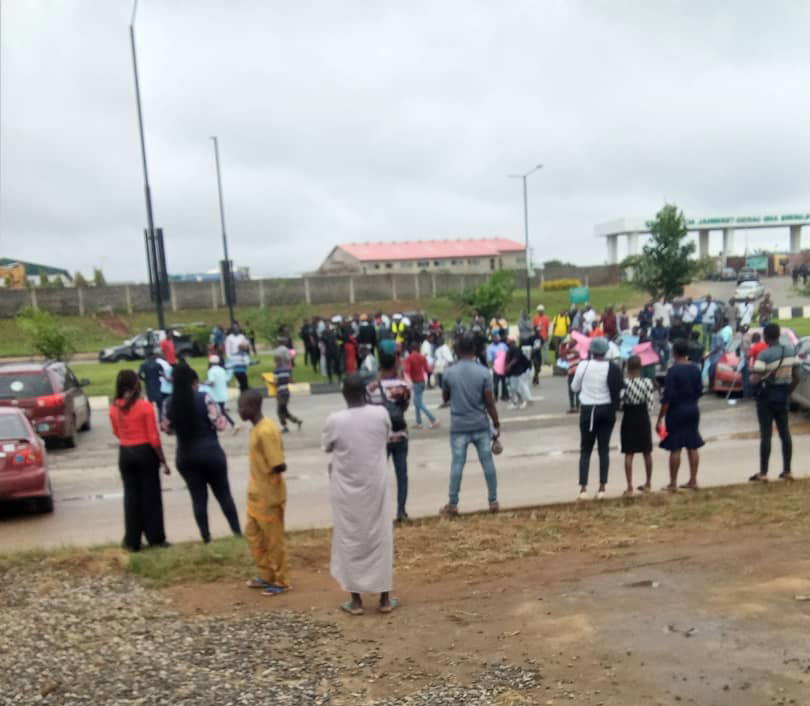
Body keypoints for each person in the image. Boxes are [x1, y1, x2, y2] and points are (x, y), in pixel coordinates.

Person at [322, 374, 397, 616]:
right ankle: (385, 599)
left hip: (347, 490)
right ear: (366, 392)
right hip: (376, 486)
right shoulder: (380, 414)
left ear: (344, 394)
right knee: (380, 537)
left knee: (350, 539)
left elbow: (327, 446)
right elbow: (385, 436)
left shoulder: (335, 420)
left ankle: (356, 601)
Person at [162, 363, 241, 543]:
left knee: (198, 498)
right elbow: (220, 425)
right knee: (223, 494)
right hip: (211, 453)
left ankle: (206, 537)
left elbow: (166, 429)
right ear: (194, 382)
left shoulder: (168, 403)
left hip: (186, 457)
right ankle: (236, 532)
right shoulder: (204, 398)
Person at [109, 370, 170, 552]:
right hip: (144, 452)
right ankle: (155, 538)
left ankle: (132, 540)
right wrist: (163, 460)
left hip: (125, 453)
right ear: (136, 385)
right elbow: (153, 437)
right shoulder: (144, 407)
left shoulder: (114, 408)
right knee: (151, 497)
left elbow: (116, 432)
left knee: (131, 498)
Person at [440, 333, 500, 515]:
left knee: (457, 464)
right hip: (480, 424)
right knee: (487, 462)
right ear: (474, 350)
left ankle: (453, 503)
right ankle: (493, 501)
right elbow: (489, 401)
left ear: (457, 351)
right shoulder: (483, 372)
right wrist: (496, 423)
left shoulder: (449, 372)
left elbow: (445, 397)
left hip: (459, 425)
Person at [238, 389, 290, 596]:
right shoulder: (256, 428)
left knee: (273, 540)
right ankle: (266, 574)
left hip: (269, 495)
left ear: (253, 407)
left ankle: (282, 580)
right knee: (253, 534)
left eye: (242, 407)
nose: (239, 411)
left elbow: (278, 464)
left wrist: (270, 476)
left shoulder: (266, 431)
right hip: (256, 494)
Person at [571, 337, 623, 500]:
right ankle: (602, 488)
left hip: (588, 410)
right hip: (607, 409)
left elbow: (574, 387)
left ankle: (583, 488)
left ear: (591, 351)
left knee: (586, 449)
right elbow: (619, 389)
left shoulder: (583, 366)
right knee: (603, 449)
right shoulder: (613, 368)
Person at [748, 323, 801, 483]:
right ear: (779, 335)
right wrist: (787, 392)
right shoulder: (791, 351)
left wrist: (751, 376)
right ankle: (787, 470)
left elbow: (755, 379)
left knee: (766, 435)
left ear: (765, 337)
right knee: (785, 433)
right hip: (783, 395)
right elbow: (797, 377)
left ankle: (763, 473)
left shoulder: (764, 355)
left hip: (766, 398)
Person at [367, 352, 411, 522]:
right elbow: (405, 407)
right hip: (400, 435)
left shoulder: (372, 387)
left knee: (378, 476)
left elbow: (369, 409)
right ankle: (401, 511)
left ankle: (379, 513)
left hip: (380, 438)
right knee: (402, 474)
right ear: (395, 364)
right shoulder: (403, 386)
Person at [657, 339, 704, 491]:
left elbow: (667, 398)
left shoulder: (673, 371)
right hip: (693, 409)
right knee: (692, 445)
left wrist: (660, 419)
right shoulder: (695, 369)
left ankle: (673, 483)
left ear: (674, 353)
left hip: (676, 412)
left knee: (675, 447)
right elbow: (699, 391)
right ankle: (693, 480)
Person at [620, 356, 655, 495]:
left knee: (629, 453)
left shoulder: (624, 383)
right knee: (647, 452)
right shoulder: (647, 382)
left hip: (629, 418)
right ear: (641, 367)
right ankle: (648, 483)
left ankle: (629, 486)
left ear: (627, 368)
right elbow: (651, 405)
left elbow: (620, 404)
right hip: (643, 417)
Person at [403, 340, 438, 429]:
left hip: (415, 382)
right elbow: (428, 370)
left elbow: (407, 370)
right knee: (417, 402)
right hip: (422, 381)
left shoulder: (409, 358)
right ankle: (418, 422)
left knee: (418, 402)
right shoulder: (422, 357)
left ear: (411, 349)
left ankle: (433, 419)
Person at [205, 355, 238, 432]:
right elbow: (226, 379)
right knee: (220, 411)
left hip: (215, 395)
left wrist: (205, 383)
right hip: (223, 394)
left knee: (216, 411)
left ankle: (233, 424)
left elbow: (212, 383)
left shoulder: (211, 371)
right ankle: (221, 424)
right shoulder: (222, 370)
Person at [274, 353, 303, 433]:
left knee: (280, 411)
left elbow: (275, 382)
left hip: (280, 393)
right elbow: (291, 380)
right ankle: (297, 421)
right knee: (284, 410)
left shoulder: (276, 371)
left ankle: (285, 427)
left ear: (276, 362)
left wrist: (267, 381)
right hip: (286, 392)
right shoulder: (287, 370)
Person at [505, 337, 532, 409]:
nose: (507, 342)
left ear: (513, 342)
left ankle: (524, 401)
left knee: (518, 387)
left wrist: (509, 366)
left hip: (519, 371)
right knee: (513, 388)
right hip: (513, 372)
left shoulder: (516, 349)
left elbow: (515, 359)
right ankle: (515, 403)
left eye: (509, 341)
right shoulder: (509, 349)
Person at [138, 351, 164, 421]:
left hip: (148, 384)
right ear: (153, 356)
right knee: (159, 403)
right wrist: (158, 376)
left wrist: (144, 379)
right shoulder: (158, 364)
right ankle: (160, 418)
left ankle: (151, 418)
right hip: (157, 384)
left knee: (150, 403)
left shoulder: (143, 365)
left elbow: (139, 374)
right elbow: (162, 373)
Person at [487, 334, 509, 402]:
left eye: (498, 338)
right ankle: (495, 397)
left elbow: (508, 353)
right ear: (492, 339)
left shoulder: (503, 345)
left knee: (504, 383)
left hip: (504, 367)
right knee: (495, 384)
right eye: (495, 338)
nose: (497, 339)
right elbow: (490, 359)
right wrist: (492, 368)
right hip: (496, 368)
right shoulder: (490, 347)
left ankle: (504, 396)